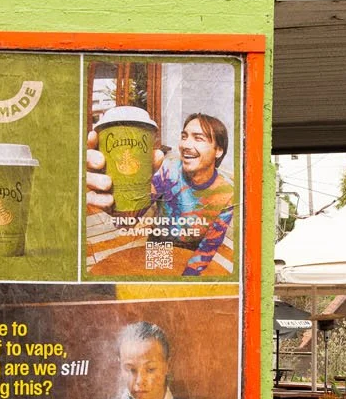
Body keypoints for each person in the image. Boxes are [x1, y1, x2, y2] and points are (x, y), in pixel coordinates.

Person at [84, 112, 237, 277]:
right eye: (184, 136)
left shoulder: (227, 193)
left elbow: (209, 247)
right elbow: (129, 220)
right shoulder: (168, 170)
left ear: (219, 150)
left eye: (198, 138)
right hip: (158, 245)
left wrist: (187, 279)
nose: (186, 144)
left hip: (192, 252)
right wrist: (117, 202)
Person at [85, 321, 212, 399]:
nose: (140, 380)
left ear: (167, 366)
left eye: (150, 369)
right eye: (131, 370)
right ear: (120, 366)